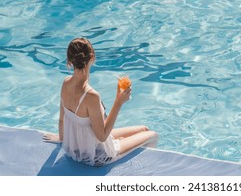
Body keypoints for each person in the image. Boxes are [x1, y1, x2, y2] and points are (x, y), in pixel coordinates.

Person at [43, 37, 158, 166]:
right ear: (92, 58)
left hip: (75, 148)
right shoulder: (91, 96)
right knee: (152, 134)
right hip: (97, 156)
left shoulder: (66, 83)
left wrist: (62, 139)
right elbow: (102, 136)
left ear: (69, 61)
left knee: (143, 128)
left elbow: (61, 121)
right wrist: (118, 102)